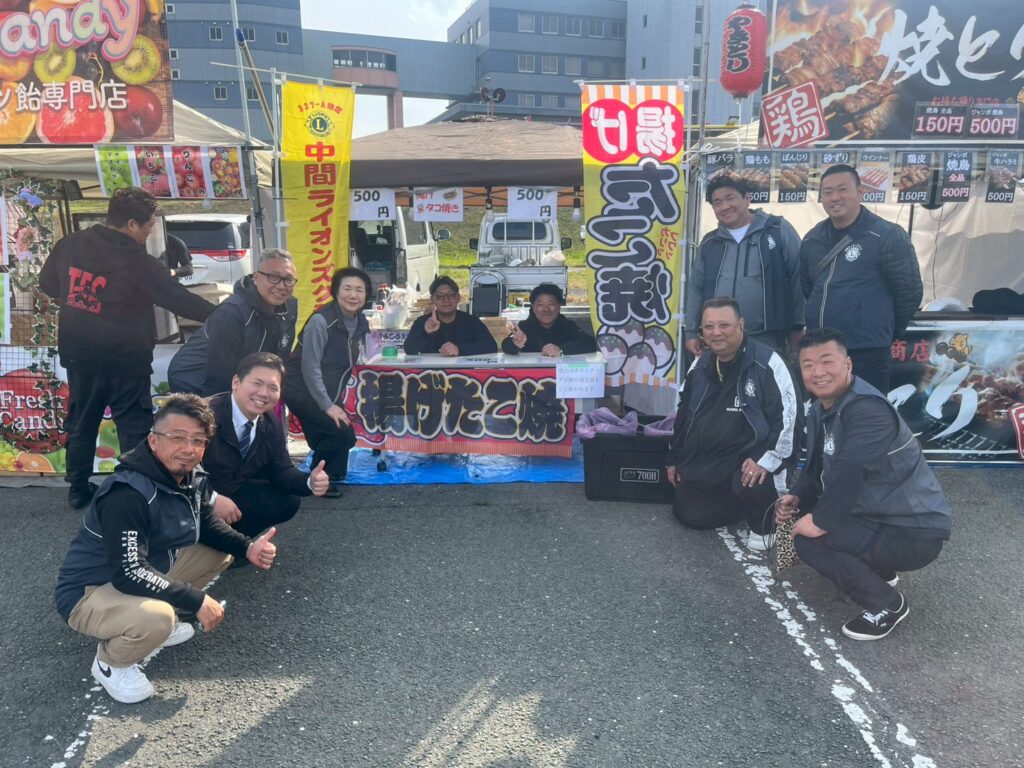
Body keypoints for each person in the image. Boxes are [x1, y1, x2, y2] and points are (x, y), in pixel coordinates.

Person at [54, 394, 280, 704]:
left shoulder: (190, 475)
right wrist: (194, 599)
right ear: (153, 440)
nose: (188, 448)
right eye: (177, 437)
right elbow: (128, 571)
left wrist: (248, 547)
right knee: (158, 619)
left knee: (218, 552)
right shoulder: (127, 493)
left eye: (198, 440)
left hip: (136, 573)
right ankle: (111, 663)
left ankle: (152, 616)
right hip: (89, 592)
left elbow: (206, 523)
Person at [39, 187, 216, 510]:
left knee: (82, 421)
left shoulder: (70, 245)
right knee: (133, 427)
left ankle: (77, 488)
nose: (149, 232)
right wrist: (223, 316)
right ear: (132, 224)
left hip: (80, 353)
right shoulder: (140, 263)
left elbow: (48, 284)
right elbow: (180, 300)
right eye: (149, 226)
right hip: (126, 358)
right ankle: (135, 491)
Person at [777, 328, 951, 641]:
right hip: (877, 514)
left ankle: (887, 605)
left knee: (808, 540)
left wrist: (819, 522)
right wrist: (797, 498)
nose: (818, 372)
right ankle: (878, 570)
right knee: (805, 513)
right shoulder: (819, 408)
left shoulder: (868, 409)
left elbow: (851, 468)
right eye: (808, 365)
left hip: (913, 529)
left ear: (848, 364)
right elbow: (814, 469)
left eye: (827, 361)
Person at [665, 297, 800, 550]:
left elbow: (789, 422)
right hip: (715, 457)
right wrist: (674, 457)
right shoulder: (700, 364)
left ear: (741, 325)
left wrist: (766, 459)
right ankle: (739, 506)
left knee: (753, 480)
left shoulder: (768, 362)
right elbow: (683, 414)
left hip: (754, 458)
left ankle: (768, 523)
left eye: (724, 325)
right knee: (689, 514)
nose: (716, 332)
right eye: (708, 326)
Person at [800, 164, 923, 393]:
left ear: (860, 192)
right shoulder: (812, 239)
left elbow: (909, 293)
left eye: (842, 189)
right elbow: (808, 287)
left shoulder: (887, 235)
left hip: (867, 352)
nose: (835, 197)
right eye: (827, 192)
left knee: (867, 411)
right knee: (825, 412)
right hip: (822, 352)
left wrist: (882, 331)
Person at [204, 353, 330, 535]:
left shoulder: (271, 424)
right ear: (236, 382)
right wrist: (212, 498)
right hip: (192, 498)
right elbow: (178, 471)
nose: (263, 393)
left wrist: (310, 481)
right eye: (257, 383)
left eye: (273, 387)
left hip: (232, 491)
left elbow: (282, 470)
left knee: (287, 501)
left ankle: (232, 541)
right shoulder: (203, 416)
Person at [685, 173, 804, 359]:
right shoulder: (710, 242)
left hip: (768, 338)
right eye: (717, 202)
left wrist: (798, 325)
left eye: (730, 198)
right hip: (720, 340)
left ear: (747, 198)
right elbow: (696, 288)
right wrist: (691, 331)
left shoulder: (777, 229)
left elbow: (799, 278)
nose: (725, 206)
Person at [284, 267, 372, 498]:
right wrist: (327, 405)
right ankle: (320, 480)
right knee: (338, 433)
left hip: (327, 389)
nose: (353, 295)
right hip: (301, 388)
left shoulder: (359, 320)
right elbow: (310, 368)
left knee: (341, 433)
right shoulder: (321, 321)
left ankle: (334, 473)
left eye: (359, 290)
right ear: (336, 291)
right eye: (347, 289)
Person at [167, 248, 299, 396]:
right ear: (256, 278)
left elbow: (280, 358)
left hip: (241, 380)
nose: (281, 286)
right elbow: (219, 375)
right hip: (196, 382)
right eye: (273, 277)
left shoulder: (289, 307)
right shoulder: (232, 312)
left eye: (288, 280)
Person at [403, 276, 497, 357]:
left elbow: (491, 346)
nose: (446, 300)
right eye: (440, 296)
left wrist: (459, 349)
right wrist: (425, 332)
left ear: (458, 298)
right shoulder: (423, 322)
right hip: (430, 371)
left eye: (451, 295)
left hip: (463, 371)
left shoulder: (471, 321)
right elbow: (409, 349)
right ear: (432, 299)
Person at [501, 283, 597, 356]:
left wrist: (562, 350)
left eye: (551, 304)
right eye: (540, 305)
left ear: (559, 306)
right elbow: (506, 347)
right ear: (533, 307)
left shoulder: (568, 326)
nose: (546, 309)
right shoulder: (524, 326)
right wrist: (514, 343)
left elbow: (590, 343)